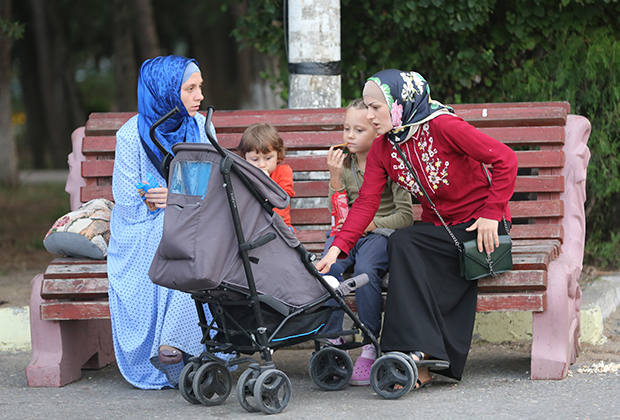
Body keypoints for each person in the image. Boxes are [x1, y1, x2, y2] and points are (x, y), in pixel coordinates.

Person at [317, 69, 518, 389]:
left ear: (399, 105)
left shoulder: (443, 126)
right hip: (441, 229)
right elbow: (367, 203)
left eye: (375, 107)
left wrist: (493, 213)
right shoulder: (385, 146)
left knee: (411, 252)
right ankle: (411, 357)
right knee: (402, 243)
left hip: (482, 225)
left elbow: (505, 160)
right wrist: (337, 248)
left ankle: (416, 357)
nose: (369, 116)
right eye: (367, 107)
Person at [107, 55, 218, 389]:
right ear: (166, 91)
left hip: (192, 222)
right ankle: (173, 349)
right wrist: (173, 203)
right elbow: (128, 202)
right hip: (140, 228)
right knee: (174, 236)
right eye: (190, 89)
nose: (199, 96)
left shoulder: (200, 127)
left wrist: (174, 198)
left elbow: (209, 188)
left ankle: (175, 345)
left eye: (200, 87)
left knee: (189, 237)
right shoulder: (131, 135)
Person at [321, 98, 413, 386]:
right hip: (346, 233)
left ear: (376, 131)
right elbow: (338, 217)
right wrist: (335, 180)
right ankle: (333, 336)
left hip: (379, 235)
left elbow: (406, 216)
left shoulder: (391, 162)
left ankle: (370, 341)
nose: (349, 135)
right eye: (346, 128)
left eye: (358, 130)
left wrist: (375, 224)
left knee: (365, 272)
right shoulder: (344, 164)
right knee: (328, 268)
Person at [237, 123, 296, 231]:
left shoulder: (284, 172)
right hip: (252, 228)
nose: (262, 164)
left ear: (278, 155)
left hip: (281, 226)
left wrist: (265, 182)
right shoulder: (243, 176)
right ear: (244, 158)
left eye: (268, 158)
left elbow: (281, 201)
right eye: (255, 159)